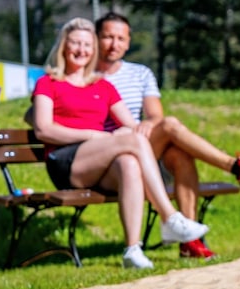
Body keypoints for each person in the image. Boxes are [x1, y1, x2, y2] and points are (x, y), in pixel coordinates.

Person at [94, 12, 240, 260]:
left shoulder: (141, 73)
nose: (114, 44)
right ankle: (237, 168)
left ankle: (189, 243)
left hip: (141, 149)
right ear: (96, 38)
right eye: (108, 37)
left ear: (128, 42)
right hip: (107, 158)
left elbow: (155, 115)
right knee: (170, 126)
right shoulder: (87, 76)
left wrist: (149, 123)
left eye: (120, 38)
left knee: (179, 154)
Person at [31, 18, 209, 269]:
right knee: (132, 143)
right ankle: (169, 217)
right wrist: (93, 135)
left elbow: (131, 126)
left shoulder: (102, 86)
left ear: (94, 50)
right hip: (65, 161)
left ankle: (132, 251)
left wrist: (127, 131)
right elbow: (43, 129)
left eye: (87, 45)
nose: (81, 50)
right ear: (63, 47)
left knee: (128, 163)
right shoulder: (48, 83)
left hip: (98, 163)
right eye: (75, 44)